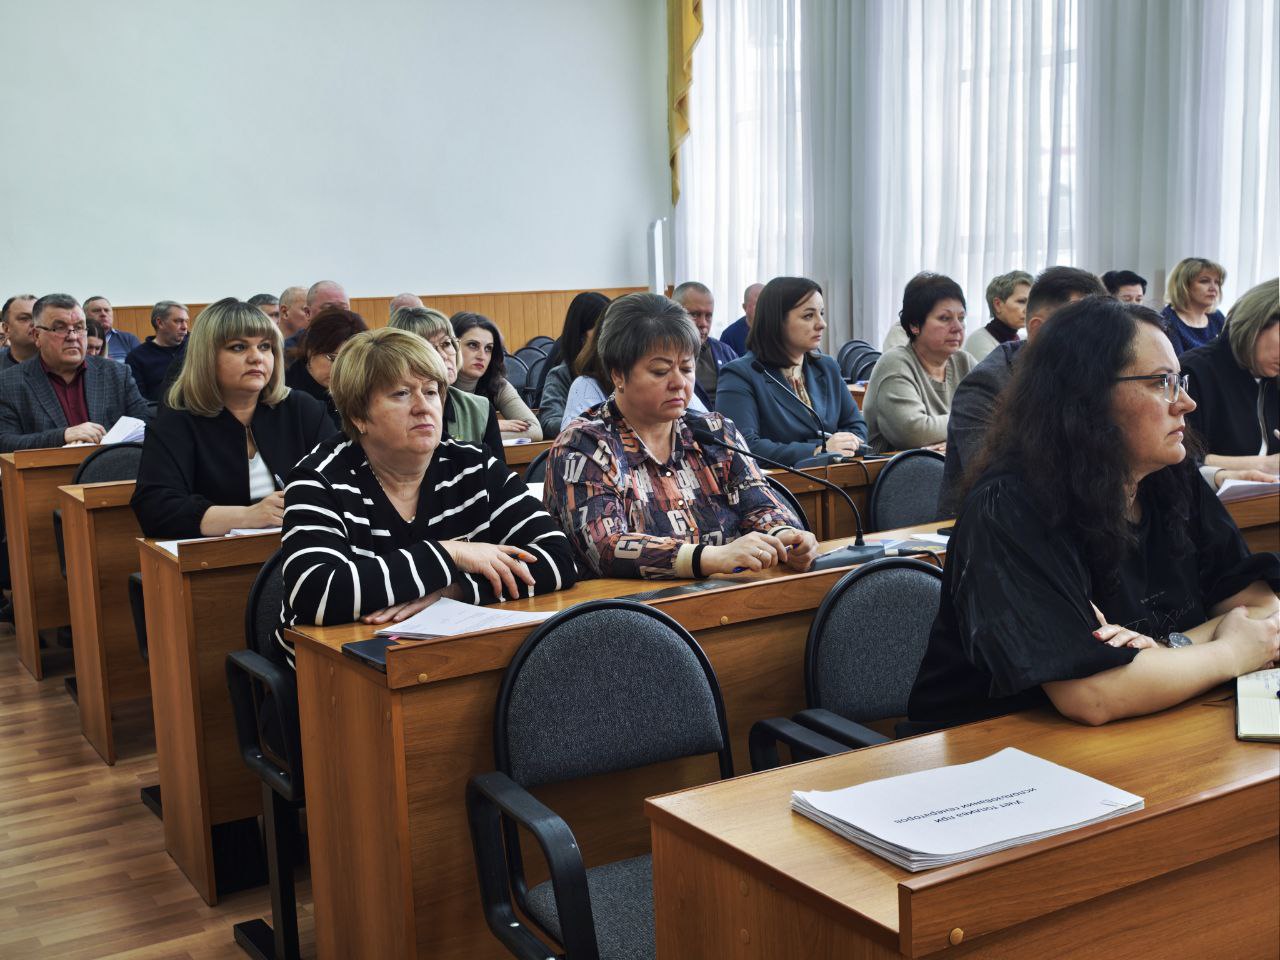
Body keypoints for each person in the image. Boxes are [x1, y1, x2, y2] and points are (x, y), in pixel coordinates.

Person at [908, 296, 1280, 731]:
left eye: (1182, 381)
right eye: (1162, 383)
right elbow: (1093, 694)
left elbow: (1261, 611)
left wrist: (1162, 651)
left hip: (1147, 727)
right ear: (1088, 397)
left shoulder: (1169, 475)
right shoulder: (1009, 507)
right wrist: (1229, 652)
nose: (1185, 403)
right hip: (997, 753)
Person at [272, 328, 577, 668]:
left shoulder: (474, 465)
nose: (423, 407)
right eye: (401, 394)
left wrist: (455, 590)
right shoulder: (319, 478)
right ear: (358, 415)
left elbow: (558, 558)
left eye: (431, 392)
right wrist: (451, 553)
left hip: (452, 658)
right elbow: (316, 593)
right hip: (338, 677)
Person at [544, 292, 817, 580]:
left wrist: (785, 536)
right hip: (633, 614)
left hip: (729, 596)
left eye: (687, 368)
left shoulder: (714, 431)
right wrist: (712, 558)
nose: (679, 383)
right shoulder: (582, 445)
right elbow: (605, 547)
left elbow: (761, 503)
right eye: (661, 371)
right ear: (618, 375)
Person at [130, 298, 335, 540]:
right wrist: (247, 516)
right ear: (207, 356)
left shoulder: (302, 409)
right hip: (215, 564)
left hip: (307, 549)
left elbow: (344, 481)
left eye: (265, 346)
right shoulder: (177, 419)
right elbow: (156, 509)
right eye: (239, 347)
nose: (256, 357)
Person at [937, 266, 1106, 516]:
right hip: (994, 532)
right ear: (1038, 330)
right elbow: (997, 485)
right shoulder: (987, 385)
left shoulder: (1100, 378)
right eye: (1085, 330)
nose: (1099, 343)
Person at [716, 277, 867, 466]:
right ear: (776, 321)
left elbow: (857, 427)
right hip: (779, 489)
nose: (822, 324)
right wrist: (818, 450)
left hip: (839, 481)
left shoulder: (827, 367)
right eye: (808, 316)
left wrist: (835, 447)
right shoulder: (740, 374)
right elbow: (742, 446)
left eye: (821, 313)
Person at [0, 293, 151, 450]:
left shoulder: (117, 374)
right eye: (59, 328)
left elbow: (144, 424)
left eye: (79, 328)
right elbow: (5, 442)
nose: (72, 337)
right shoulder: (9, 383)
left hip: (115, 471)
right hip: (49, 472)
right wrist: (63, 435)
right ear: (37, 335)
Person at [863, 272, 975, 453]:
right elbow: (915, 432)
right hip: (896, 474)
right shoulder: (895, 363)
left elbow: (1002, 416)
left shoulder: (964, 362)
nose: (957, 328)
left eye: (961, 318)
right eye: (945, 318)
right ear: (915, 325)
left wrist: (955, 440)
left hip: (949, 470)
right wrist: (970, 423)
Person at [1182, 278, 1280, 476]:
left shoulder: (1271, 374)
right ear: (1256, 323)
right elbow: (1181, 457)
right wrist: (1264, 464)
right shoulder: (1193, 371)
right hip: (1213, 499)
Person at [389, 306, 506, 463]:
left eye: (446, 344)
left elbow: (498, 481)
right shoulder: (392, 410)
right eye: (429, 348)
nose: (444, 356)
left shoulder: (480, 409)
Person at [451, 312, 542, 440]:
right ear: (451, 346)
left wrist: (485, 431)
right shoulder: (434, 386)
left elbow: (534, 431)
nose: (482, 355)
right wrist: (488, 426)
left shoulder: (498, 384)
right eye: (473, 345)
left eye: (488, 348)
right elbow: (442, 436)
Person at [284, 308, 368, 429]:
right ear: (310, 349)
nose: (341, 369)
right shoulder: (285, 392)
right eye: (333, 359)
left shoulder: (361, 391)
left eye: (350, 361)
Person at [539, 291, 608, 436]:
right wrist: (591, 425)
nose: (609, 336)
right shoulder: (561, 374)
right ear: (582, 335)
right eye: (601, 329)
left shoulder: (619, 370)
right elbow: (549, 422)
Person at [672, 281, 737, 407]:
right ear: (673, 311)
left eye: (708, 316)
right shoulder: (663, 357)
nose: (703, 323)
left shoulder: (725, 352)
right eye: (694, 315)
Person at [125, 300, 190, 401]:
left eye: (186, 321)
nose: (185, 327)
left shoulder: (195, 345)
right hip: (160, 413)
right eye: (178, 321)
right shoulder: (136, 357)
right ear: (160, 323)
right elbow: (140, 401)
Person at [1162, 257, 1227, 355]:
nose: (1213, 288)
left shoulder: (1217, 317)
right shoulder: (1167, 321)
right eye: (1204, 281)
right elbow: (1178, 367)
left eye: (1217, 282)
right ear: (1183, 285)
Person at [962, 270, 1032, 360]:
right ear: (998, 305)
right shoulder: (979, 341)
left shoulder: (1023, 339)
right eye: (1021, 301)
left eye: (1031, 302)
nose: (1028, 309)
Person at [83, 296, 141, 361]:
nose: (103, 314)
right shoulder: (78, 338)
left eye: (107, 310)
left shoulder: (129, 339)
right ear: (84, 315)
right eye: (97, 311)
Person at [720, 282, 763, 357]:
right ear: (744, 307)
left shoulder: (778, 330)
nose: (763, 308)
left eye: (766, 303)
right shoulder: (730, 335)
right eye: (757, 304)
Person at [1, 294, 38, 369]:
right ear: (6, 329)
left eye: (38, 317)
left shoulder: (61, 362)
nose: (34, 323)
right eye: (24, 318)